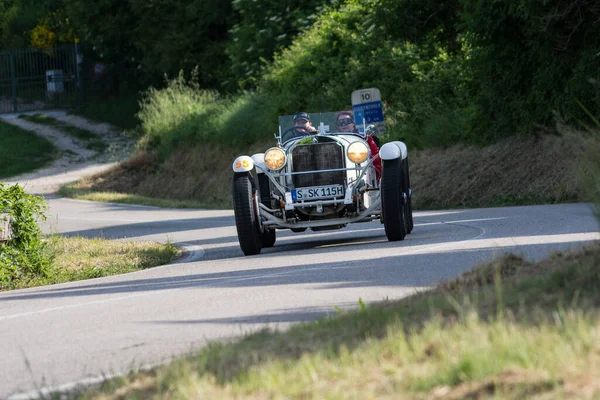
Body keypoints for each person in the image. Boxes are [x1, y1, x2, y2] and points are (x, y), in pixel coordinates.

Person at [336, 111, 382, 179]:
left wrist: (365, 160)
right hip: (340, 170)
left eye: (346, 121)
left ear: (353, 123)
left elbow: (376, 155)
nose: (343, 124)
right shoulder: (335, 139)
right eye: (340, 122)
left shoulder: (364, 137)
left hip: (362, 170)